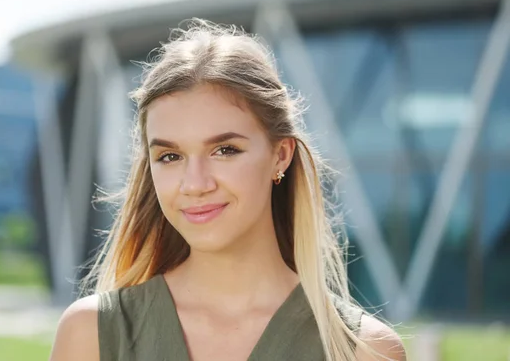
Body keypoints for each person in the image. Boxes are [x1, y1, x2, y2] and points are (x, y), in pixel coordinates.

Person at [49, 19, 407, 361]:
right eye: (170, 156)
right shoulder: (93, 333)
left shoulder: (362, 349)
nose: (195, 184)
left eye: (225, 150)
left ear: (280, 156)